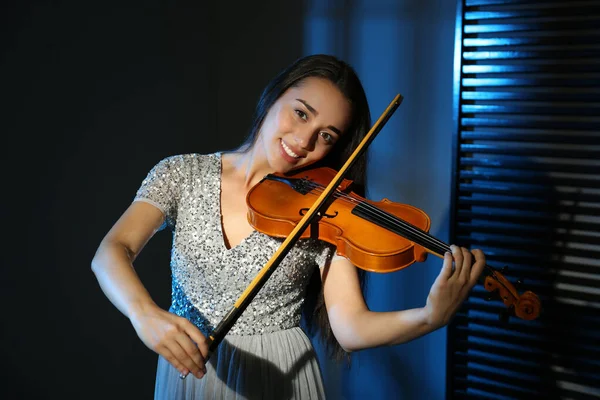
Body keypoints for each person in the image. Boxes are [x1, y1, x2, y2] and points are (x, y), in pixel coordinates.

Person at [91, 54, 486, 399]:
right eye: (301, 113)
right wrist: (144, 314)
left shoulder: (323, 209)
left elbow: (350, 327)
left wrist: (430, 317)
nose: (303, 141)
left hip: (280, 375)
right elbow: (112, 251)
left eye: (326, 136)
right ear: (273, 96)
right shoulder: (182, 173)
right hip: (192, 370)